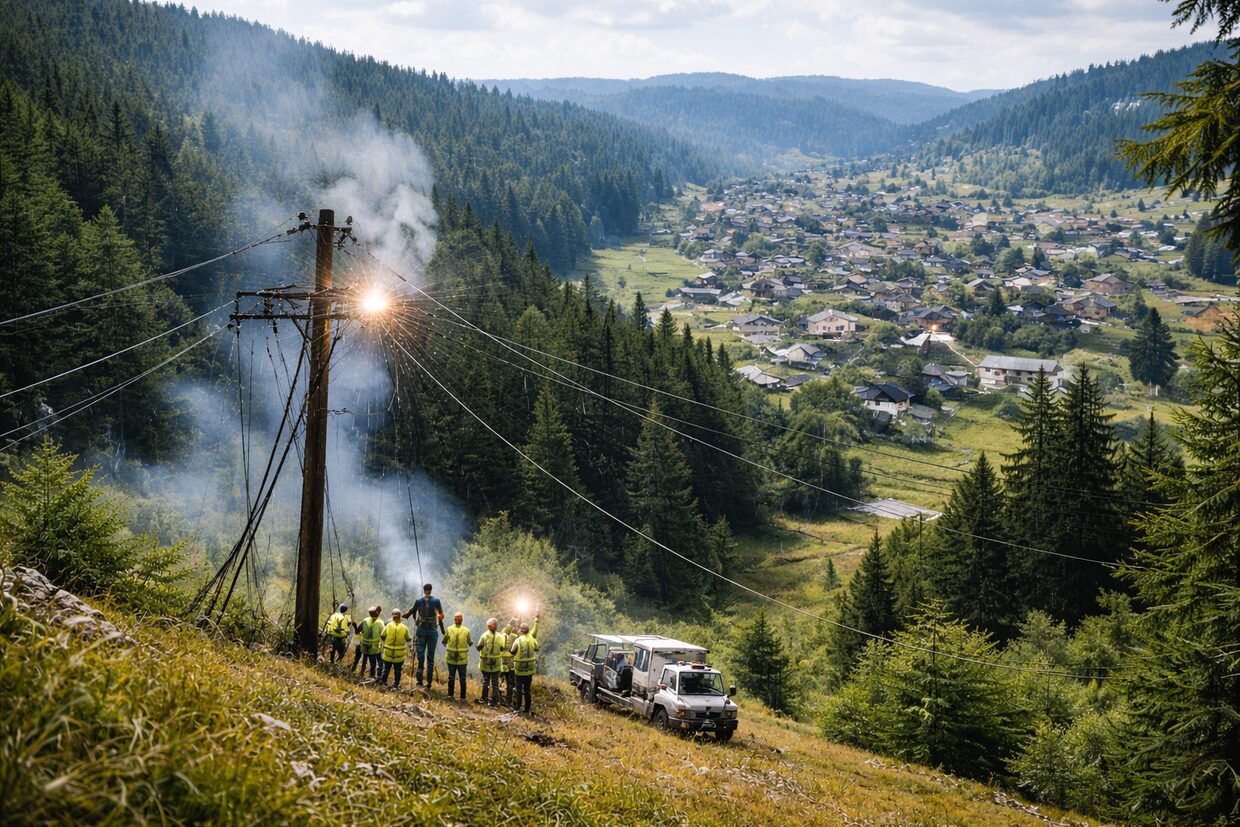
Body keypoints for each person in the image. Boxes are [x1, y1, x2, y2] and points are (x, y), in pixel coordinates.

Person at [405, 583, 445, 688]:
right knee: (430, 657)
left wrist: (414, 618)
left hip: (421, 631)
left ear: (423, 590)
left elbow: (413, 612)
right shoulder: (436, 601)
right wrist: (440, 625)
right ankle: (429, 682)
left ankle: (419, 681)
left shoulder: (418, 601)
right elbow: (441, 616)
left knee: (420, 657)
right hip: (432, 632)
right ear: (431, 590)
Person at [510, 612, 540, 714]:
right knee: (527, 690)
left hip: (519, 670)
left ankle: (517, 708)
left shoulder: (518, 640)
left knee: (518, 690)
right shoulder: (532, 640)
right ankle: (527, 709)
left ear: (521, 631)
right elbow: (537, 648)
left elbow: (512, 651)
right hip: (530, 669)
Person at [442, 612, 472, 700]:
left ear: (454, 619)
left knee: (451, 677)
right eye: (458, 619)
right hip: (462, 659)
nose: (458, 620)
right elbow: (470, 643)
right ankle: (462, 697)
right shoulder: (466, 630)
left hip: (451, 657)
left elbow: (444, 641)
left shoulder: (449, 629)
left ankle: (450, 695)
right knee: (462, 679)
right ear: (462, 620)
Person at [476, 617, 505, 706]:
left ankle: (484, 698)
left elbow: (478, 647)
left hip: (485, 663)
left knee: (486, 681)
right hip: (496, 664)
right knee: (495, 683)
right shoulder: (500, 636)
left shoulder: (484, 635)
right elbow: (502, 648)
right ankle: (495, 700)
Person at [379, 609, 411, 690]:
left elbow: (382, 636)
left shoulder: (388, 626)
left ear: (392, 617)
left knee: (386, 669)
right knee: (397, 671)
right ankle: (396, 685)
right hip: (399, 655)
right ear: (400, 617)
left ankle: (383, 682)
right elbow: (408, 639)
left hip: (387, 653)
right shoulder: (404, 627)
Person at [351, 605, 384, 679]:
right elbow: (383, 635)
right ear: (378, 613)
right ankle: (371, 676)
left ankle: (361, 673)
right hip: (374, 647)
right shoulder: (380, 622)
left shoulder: (365, 620)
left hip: (364, 645)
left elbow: (357, 631)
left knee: (364, 660)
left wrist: (355, 625)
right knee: (373, 662)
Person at [500, 617, 520, 707]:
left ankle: (500, 699)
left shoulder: (501, 635)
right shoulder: (515, 637)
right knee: (510, 682)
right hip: (511, 662)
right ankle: (509, 700)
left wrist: (512, 620)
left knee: (501, 681)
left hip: (501, 662)